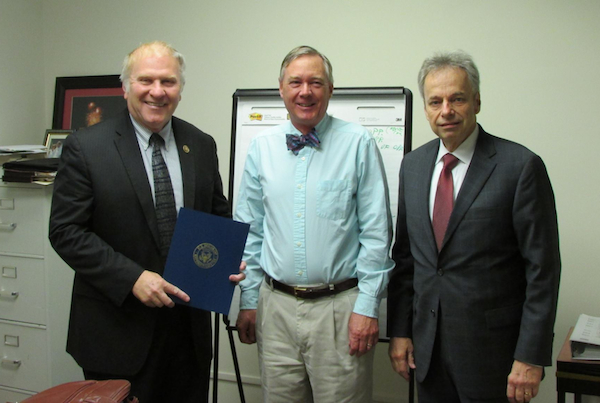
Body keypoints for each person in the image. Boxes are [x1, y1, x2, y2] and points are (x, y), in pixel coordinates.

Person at [49, 41, 243, 403]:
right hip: (117, 333)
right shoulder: (87, 147)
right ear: (125, 87)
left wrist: (227, 257)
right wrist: (132, 277)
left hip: (188, 334)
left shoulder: (200, 144)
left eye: (168, 81)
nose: (157, 91)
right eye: (146, 80)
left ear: (180, 90)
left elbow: (217, 215)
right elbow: (66, 232)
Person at [387, 50, 561, 403]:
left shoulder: (519, 167)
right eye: (435, 101)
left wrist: (530, 356)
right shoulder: (413, 166)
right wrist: (401, 332)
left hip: (494, 356)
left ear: (477, 101)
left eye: (457, 99)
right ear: (425, 108)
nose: (446, 110)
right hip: (428, 352)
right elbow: (406, 260)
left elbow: (542, 271)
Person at [234, 45, 395, 402]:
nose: (305, 91)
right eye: (295, 82)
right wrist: (248, 301)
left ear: (330, 90)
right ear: (281, 88)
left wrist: (367, 307)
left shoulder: (358, 143)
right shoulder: (261, 148)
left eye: (315, 82)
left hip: (339, 311)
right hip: (274, 309)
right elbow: (251, 232)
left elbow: (376, 233)